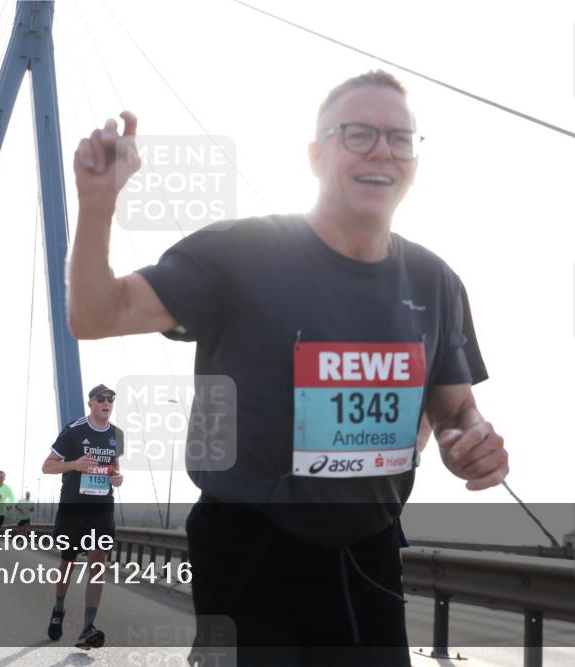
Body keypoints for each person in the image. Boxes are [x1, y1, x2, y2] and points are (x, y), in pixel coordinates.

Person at [65, 72, 509, 665]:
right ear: (315, 154)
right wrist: (98, 207)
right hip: (248, 548)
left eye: (400, 138)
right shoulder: (238, 253)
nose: (382, 150)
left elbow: (454, 410)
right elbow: (98, 315)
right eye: (358, 134)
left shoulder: (436, 283)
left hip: (367, 557)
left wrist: (468, 442)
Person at [41, 384, 124, 650]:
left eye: (111, 399)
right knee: (69, 563)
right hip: (73, 507)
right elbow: (47, 466)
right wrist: (74, 465)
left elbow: (115, 466)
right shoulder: (74, 430)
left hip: (102, 508)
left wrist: (117, 477)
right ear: (91, 403)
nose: (107, 402)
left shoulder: (116, 434)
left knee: (98, 561)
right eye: (102, 398)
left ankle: (88, 627)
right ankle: (59, 607)